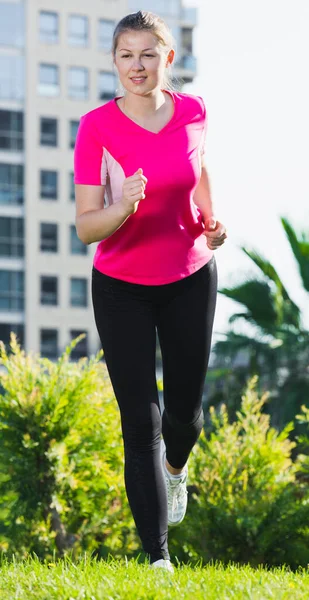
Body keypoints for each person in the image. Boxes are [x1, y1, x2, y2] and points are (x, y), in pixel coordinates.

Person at [74, 10, 227, 573]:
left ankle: (176, 471)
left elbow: (200, 167)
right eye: (125, 56)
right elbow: (87, 226)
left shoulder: (195, 111)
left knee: (183, 416)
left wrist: (212, 218)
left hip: (190, 275)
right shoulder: (96, 127)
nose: (136, 67)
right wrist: (122, 205)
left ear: (168, 59)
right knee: (141, 421)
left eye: (147, 55)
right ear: (114, 62)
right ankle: (157, 558)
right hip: (120, 288)